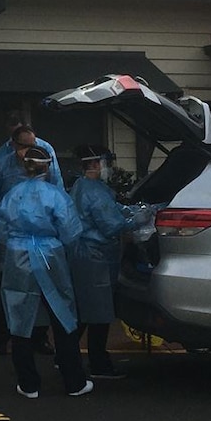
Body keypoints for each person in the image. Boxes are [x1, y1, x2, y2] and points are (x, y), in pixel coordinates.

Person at [0, 144, 93, 398]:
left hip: (18, 255)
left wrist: (17, 240)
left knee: (19, 316)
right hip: (49, 254)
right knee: (63, 314)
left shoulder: (13, 194)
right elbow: (70, 231)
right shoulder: (56, 195)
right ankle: (74, 381)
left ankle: (28, 384)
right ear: (48, 166)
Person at [0, 114, 62, 355]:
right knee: (5, 286)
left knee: (39, 288)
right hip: (10, 238)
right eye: (25, 147)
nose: (29, 152)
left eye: (33, 146)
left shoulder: (45, 158)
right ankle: (1, 337)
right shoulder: (1, 166)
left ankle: (37, 337)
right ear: (13, 145)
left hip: (40, 238)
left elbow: (57, 190)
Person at [69, 144, 149, 378]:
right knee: (99, 313)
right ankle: (98, 363)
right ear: (94, 164)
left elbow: (114, 209)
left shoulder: (86, 187)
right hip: (96, 258)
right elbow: (111, 223)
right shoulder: (92, 191)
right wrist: (139, 219)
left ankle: (66, 356)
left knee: (85, 311)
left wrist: (132, 211)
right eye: (106, 163)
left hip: (88, 256)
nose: (109, 168)